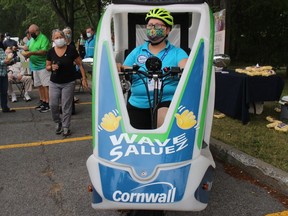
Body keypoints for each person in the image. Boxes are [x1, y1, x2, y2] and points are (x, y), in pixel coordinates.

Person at [118, 8, 188, 129]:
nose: (152, 28)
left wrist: (184, 68)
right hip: (138, 102)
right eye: (150, 25)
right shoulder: (137, 51)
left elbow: (186, 65)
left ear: (167, 30)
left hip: (166, 100)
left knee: (163, 120)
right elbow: (123, 67)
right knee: (133, 136)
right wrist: (118, 66)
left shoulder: (177, 52)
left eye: (157, 25)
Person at [46, 29, 88, 136]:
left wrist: (84, 78)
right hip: (54, 82)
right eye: (57, 37)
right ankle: (58, 122)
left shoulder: (71, 49)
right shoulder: (50, 52)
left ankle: (66, 127)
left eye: (61, 36)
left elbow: (80, 64)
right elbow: (47, 67)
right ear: (53, 39)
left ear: (64, 38)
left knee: (66, 106)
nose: (59, 39)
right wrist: (51, 67)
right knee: (53, 104)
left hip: (68, 82)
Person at [22, 24, 50, 113]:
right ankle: (42, 101)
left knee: (45, 85)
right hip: (34, 66)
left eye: (31, 33)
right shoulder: (32, 39)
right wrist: (24, 50)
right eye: (29, 33)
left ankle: (48, 103)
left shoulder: (43, 38)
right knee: (39, 85)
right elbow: (27, 47)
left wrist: (31, 53)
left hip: (42, 66)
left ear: (37, 31)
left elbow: (44, 51)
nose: (30, 35)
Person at [0, 46, 16, 113]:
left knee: (4, 92)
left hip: (4, 74)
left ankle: (5, 108)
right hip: (4, 73)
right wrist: (4, 61)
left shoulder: (1, 49)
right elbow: (4, 61)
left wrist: (12, 60)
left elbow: (7, 60)